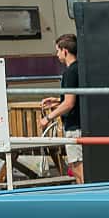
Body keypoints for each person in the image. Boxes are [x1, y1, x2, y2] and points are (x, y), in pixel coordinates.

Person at [41, 34, 82, 183]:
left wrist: (48, 118)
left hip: (74, 127)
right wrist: (58, 100)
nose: (57, 55)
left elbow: (70, 103)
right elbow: (75, 98)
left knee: (78, 168)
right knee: (76, 167)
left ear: (65, 51)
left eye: (58, 51)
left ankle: (87, 199)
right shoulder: (79, 69)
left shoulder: (70, 72)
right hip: (79, 124)